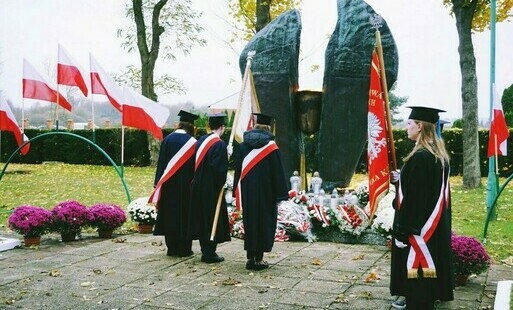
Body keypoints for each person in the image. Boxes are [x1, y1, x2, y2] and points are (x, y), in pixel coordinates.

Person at [390, 106, 454, 310]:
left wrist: (402, 231)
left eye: (409, 124)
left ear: (419, 126)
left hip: (419, 228)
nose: (406, 127)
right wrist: (402, 179)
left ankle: (417, 304)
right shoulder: (437, 155)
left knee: (417, 270)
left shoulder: (420, 157)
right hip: (433, 226)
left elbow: (415, 198)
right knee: (427, 272)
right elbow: (427, 188)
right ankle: (420, 301)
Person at [233, 113, 289, 270]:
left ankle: (250, 258)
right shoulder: (271, 147)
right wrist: (281, 194)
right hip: (266, 194)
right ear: (269, 128)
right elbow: (277, 173)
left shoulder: (244, 146)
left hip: (248, 192)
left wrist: (236, 192)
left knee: (250, 223)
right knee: (264, 224)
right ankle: (259, 258)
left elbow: (238, 169)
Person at [151, 110, 199, 257]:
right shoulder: (193, 142)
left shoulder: (167, 140)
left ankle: (171, 248)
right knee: (185, 215)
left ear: (179, 124)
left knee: (170, 215)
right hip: (186, 186)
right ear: (191, 126)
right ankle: (185, 248)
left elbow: (161, 164)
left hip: (169, 185)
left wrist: (157, 182)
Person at [188, 113, 231, 263]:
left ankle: (204, 249)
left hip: (198, 184)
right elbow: (218, 170)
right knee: (211, 218)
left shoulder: (201, 140)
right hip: (211, 188)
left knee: (202, 218)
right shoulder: (218, 144)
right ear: (222, 127)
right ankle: (209, 252)